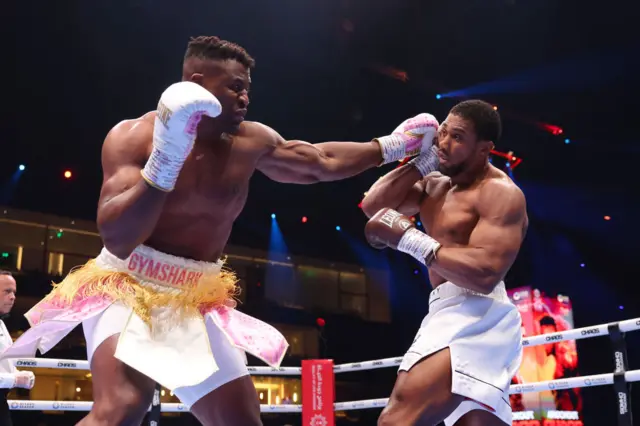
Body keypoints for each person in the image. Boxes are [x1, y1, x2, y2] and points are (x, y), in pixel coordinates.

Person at [0, 36, 439, 426]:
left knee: (240, 419)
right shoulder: (134, 136)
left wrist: (391, 146)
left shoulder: (250, 140)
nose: (246, 97)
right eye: (236, 87)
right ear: (196, 82)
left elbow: (318, 163)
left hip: (197, 296)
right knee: (121, 409)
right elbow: (117, 235)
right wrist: (165, 162)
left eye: (248, 87)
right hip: (127, 284)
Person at [362, 99, 528, 426]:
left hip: (478, 312)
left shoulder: (500, 193)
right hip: (444, 307)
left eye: (458, 137)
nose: (444, 143)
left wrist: (411, 239)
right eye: (443, 133)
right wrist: (420, 162)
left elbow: (484, 274)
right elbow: (374, 205)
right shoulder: (434, 186)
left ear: (484, 149)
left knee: (397, 419)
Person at [0, 271, 35, 426]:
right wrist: (14, 379)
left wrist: (18, 374)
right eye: (7, 291)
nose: (13, 297)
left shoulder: (1, 324)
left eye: (14, 292)